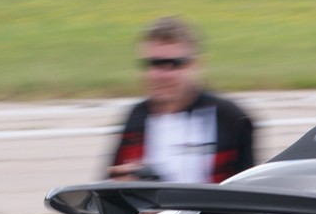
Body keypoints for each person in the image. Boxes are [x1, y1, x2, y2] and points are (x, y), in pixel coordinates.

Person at [107, 16, 255, 183]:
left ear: (196, 65)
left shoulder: (230, 118)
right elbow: (104, 195)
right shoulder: (136, 118)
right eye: (152, 64)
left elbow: (247, 195)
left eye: (173, 64)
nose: (159, 75)